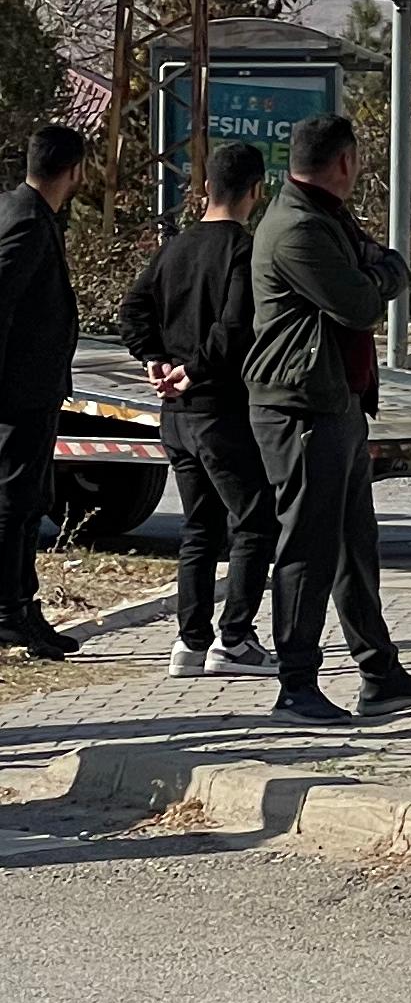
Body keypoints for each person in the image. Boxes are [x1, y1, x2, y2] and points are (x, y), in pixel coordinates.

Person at [248, 114, 411, 728]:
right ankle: (295, 685)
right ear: (344, 162)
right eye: (359, 158)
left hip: (334, 400)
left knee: (352, 547)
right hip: (300, 409)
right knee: (306, 549)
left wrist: (379, 269)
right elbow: (362, 299)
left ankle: (380, 675)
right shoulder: (296, 229)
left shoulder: (324, 219)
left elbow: (374, 269)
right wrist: (387, 272)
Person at [118, 140, 279, 674]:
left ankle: (189, 642)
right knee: (254, 520)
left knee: (198, 527)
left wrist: (155, 360)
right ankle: (235, 639)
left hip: (176, 417)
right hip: (220, 410)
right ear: (257, 190)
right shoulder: (244, 250)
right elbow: (235, 328)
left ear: (205, 187)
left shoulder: (175, 247)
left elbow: (134, 307)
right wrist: (197, 370)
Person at [0, 122, 92, 662]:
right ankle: (10, 611)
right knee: (14, 501)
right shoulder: (27, 223)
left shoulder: (26, 211)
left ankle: (23, 605)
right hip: (19, 392)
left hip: (32, 389)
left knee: (30, 498)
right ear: (76, 170)